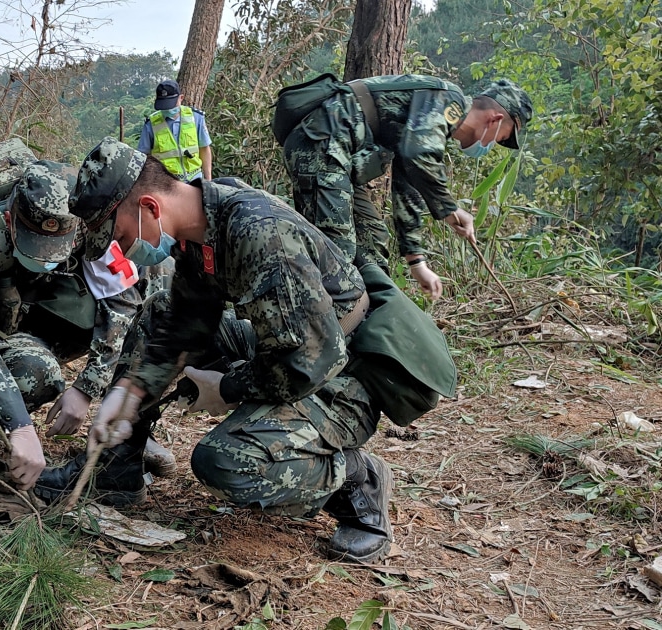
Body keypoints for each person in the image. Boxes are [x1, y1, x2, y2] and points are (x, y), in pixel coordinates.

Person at [38, 139, 457, 563]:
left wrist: (227, 387)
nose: (123, 250)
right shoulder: (200, 225)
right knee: (159, 313)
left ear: (149, 207)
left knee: (225, 462)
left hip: (345, 375)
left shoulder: (258, 233)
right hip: (289, 346)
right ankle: (116, 470)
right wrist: (130, 393)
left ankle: (356, 479)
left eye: (121, 235)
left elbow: (306, 364)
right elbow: (186, 322)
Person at [0, 160, 174, 491]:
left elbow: (121, 302)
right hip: (6, 324)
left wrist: (87, 388)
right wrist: (20, 424)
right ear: (11, 221)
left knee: (157, 291)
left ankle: (125, 436)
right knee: (35, 372)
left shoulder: (86, 219)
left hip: (57, 311)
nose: (47, 258)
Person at [277, 76, 533, 299]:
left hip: (336, 155)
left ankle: (370, 324)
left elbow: (408, 183)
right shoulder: (448, 99)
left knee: (372, 243)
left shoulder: (433, 124)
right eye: (502, 138)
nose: (494, 144)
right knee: (337, 254)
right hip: (321, 145)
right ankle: (314, 333)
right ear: (495, 119)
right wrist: (450, 209)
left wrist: (416, 261)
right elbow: (417, 154)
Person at [138, 80, 213, 183]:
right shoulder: (151, 124)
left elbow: (204, 149)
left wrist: (208, 180)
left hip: (194, 179)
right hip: (166, 183)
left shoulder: (195, 118)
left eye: (171, 104)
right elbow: (144, 156)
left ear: (181, 98)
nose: (168, 108)